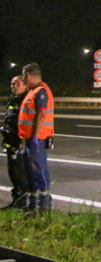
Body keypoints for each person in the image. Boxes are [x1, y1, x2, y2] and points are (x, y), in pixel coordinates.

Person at [17, 64, 53, 214]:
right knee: (30, 174)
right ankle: (32, 206)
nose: (24, 80)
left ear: (30, 75)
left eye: (24, 76)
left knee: (38, 172)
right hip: (28, 139)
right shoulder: (33, 92)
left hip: (37, 140)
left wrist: (35, 138)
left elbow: (41, 115)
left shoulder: (41, 92)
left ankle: (44, 206)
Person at [1, 76, 30, 209]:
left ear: (25, 85)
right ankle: (17, 200)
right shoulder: (13, 99)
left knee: (19, 172)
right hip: (10, 139)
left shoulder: (26, 99)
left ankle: (22, 202)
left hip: (20, 141)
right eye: (12, 84)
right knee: (12, 171)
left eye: (17, 84)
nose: (14, 86)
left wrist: (22, 141)